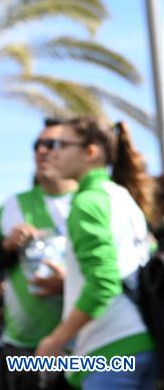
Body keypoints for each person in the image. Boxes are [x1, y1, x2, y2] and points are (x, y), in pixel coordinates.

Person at [34, 117, 157, 389]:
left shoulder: (87, 202)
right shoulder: (121, 196)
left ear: (90, 152)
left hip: (112, 348)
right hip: (143, 341)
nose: (49, 152)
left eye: (59, 145)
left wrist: (56, 340)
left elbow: (103, 282)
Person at [0, 122, 77, 390]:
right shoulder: (13, 205)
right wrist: (6, 245)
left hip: (86, 344)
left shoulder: (96, 200)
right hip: (25, 348)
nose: (42, 151)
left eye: (52, 145)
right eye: (37, 145)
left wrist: (71, 284)